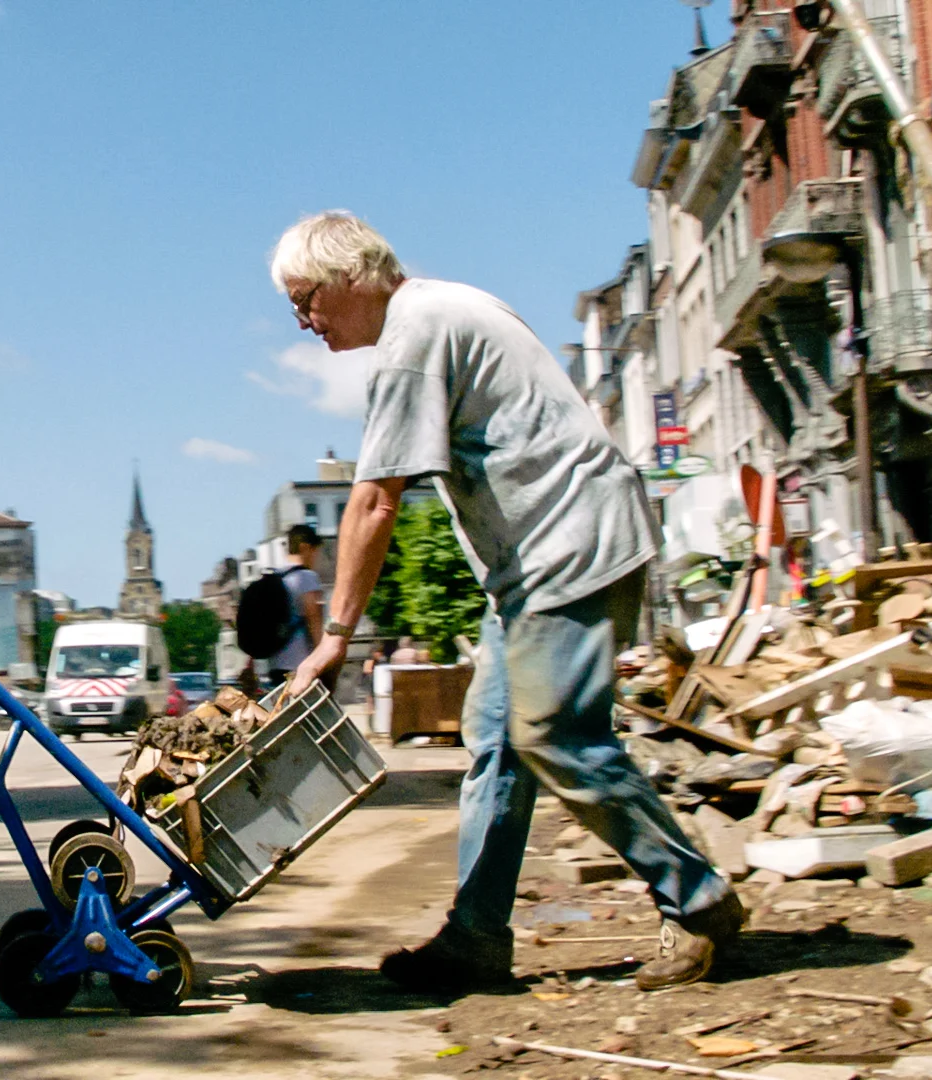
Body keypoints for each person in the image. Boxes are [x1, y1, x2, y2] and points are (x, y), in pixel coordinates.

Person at [271, 210, 743, 993]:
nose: (303, 319)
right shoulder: (443, 307)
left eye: (306, 298)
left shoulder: (412, 340)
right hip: (538, 560)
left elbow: (374, 502)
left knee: (555, 733)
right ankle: (476, 938)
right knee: (495, 742)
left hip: (568, 545)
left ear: (350, 275)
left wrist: (336, 637)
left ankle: (699, 899)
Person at [266, 524, 325, 689]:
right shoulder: (307, 577)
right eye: (315, 553)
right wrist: (324, 661)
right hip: (300, 666)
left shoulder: (275, 578)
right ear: (305, 548)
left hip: (275, 665)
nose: (316, 558)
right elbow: (315, 623)